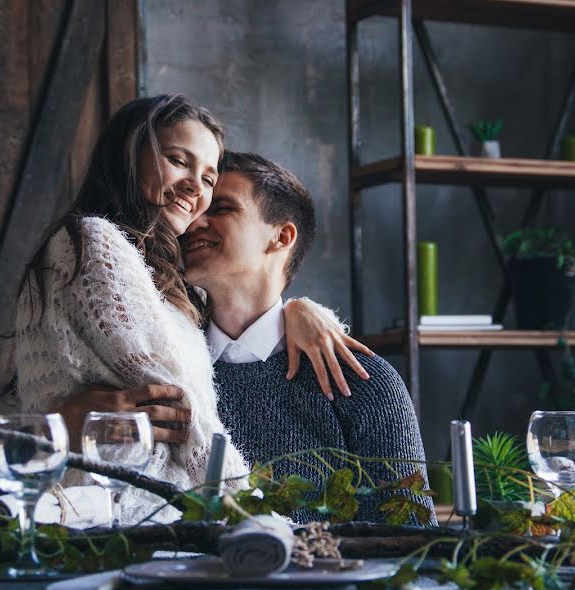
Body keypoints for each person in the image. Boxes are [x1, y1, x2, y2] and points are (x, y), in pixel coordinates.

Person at [11, 95, 368, 524]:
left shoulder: (164, 286)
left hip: (140, 512)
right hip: (113, 514)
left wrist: (298, 308)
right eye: (179, 161)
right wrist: (268, 525)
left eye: (209, 179)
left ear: (281, 238)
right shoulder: (96, 242)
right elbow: (188, 417)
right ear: (131, 154)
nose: (195, 189)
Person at [181, 151, 436, 525]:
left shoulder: (363, 382)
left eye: (220, 208)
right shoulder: (169, 373)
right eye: (193, 211)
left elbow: (408, 538)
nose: (194, 224)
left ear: (281, 236)